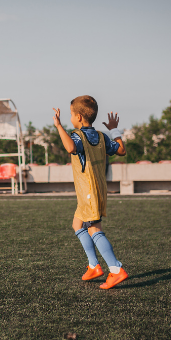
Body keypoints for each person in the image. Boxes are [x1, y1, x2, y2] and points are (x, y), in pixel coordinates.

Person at [53, 95, 128, 289]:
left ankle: (116, 269)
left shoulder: (77, 135)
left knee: (95, 229)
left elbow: (70, 147)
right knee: (77, 224)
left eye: (70, 114)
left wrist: (59, 126)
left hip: (89, 192)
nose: (70, 118)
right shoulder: (102, 136)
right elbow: (121, 150)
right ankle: (94, 265)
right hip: (94, 190)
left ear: (78, 117)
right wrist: (114, 130)